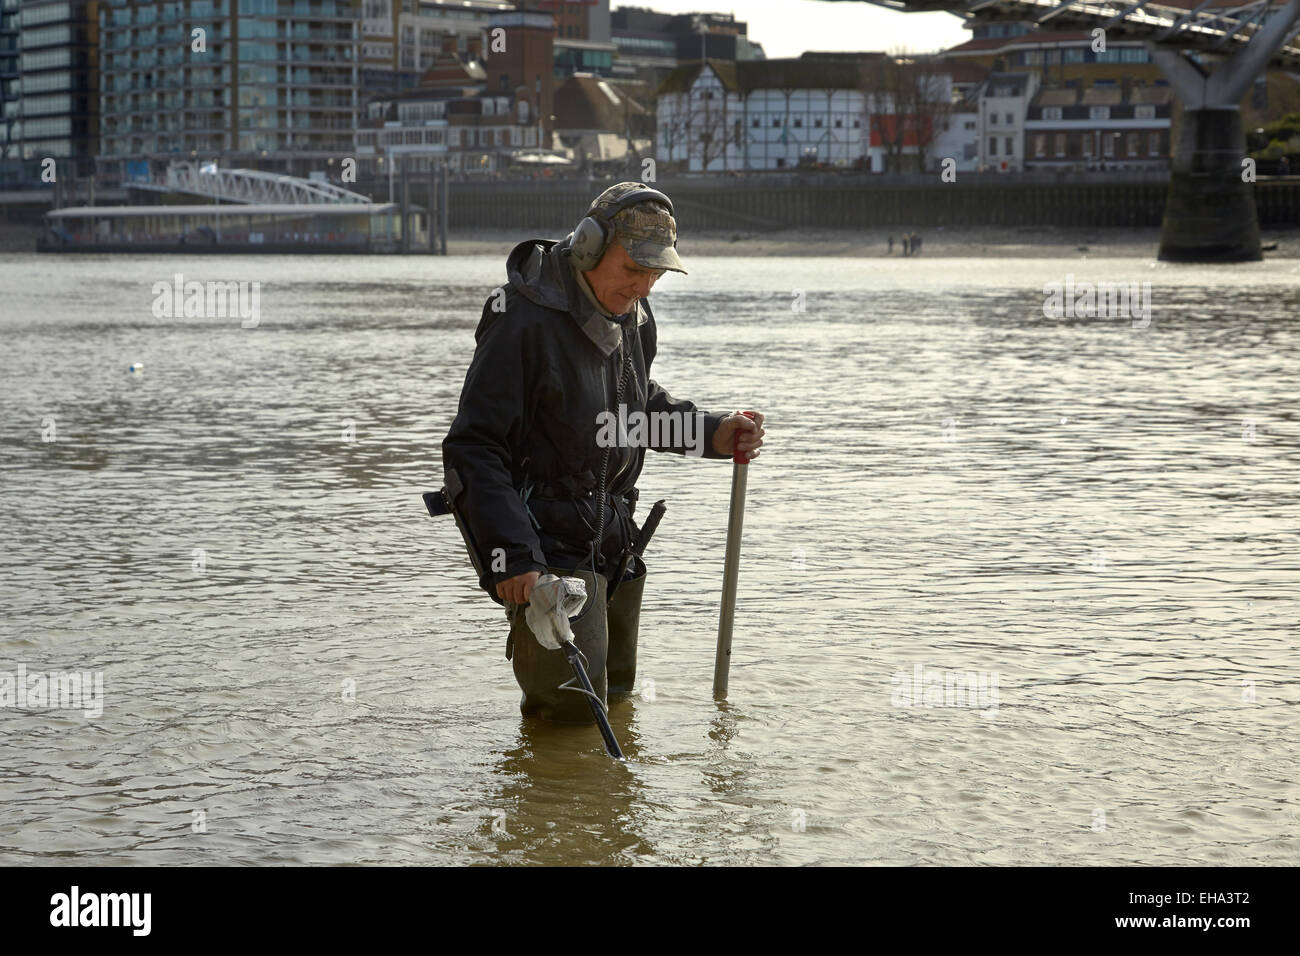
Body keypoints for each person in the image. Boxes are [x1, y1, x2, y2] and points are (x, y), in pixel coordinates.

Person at [441, 182, 766, 723]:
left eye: (655, 275)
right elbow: (473, 448)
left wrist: (712, 434)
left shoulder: (634, 317)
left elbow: (628, 415)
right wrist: (514, 556)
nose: (642, 287)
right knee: (567, 725)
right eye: (632, 271)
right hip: (548, 555)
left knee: (616, 707)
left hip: (616, 545)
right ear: (589, 247)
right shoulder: (522, 318)